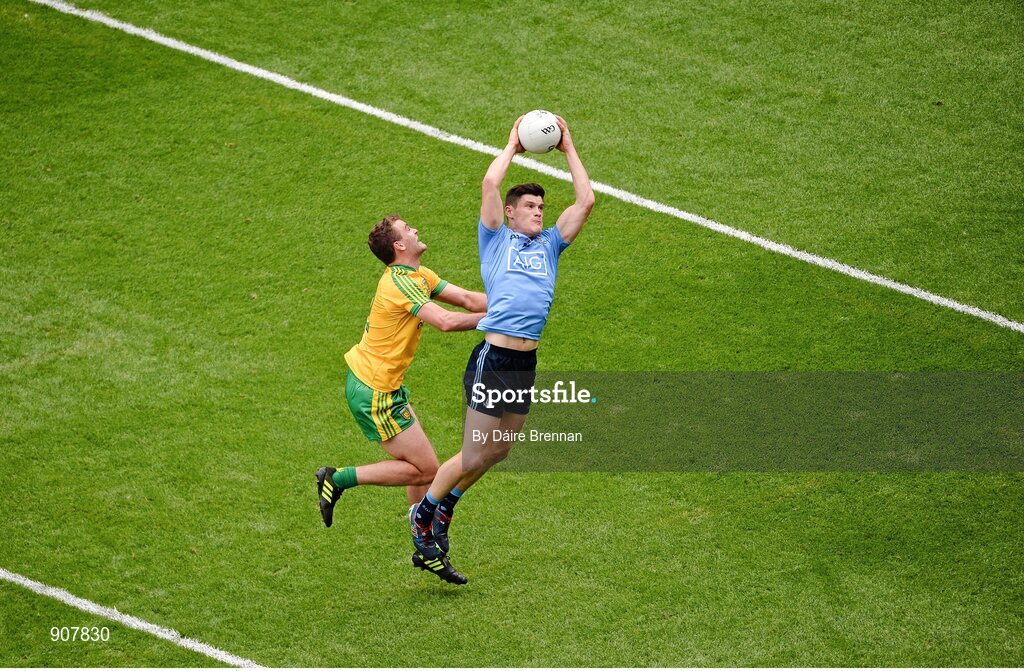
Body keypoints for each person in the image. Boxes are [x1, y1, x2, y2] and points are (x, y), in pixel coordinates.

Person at [409, 115, 595, 583]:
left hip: (524, 362)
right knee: (473, 455)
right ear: (511, 212)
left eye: (541, 205)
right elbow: (491, 181)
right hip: (493, 358)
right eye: (531, 205)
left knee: (499, 452)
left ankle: (446, 507)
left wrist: (568, 145)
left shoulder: (551, 244)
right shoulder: (496, 239)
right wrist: (513, 144)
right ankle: (423, 514)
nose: (538, 211)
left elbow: (586, 200)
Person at [316, 215, 486, 576]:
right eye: (408, 229)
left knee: (425, 473)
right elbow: (446, 321)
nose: (415, 230)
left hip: (380, 385)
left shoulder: (418, 276)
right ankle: (337, 478)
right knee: (427, 470)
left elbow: (470, 300)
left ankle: (422, 541)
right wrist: (504, 317)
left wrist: (514, 301)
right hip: (374, 391)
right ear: (399, 246)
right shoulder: (398, 284)